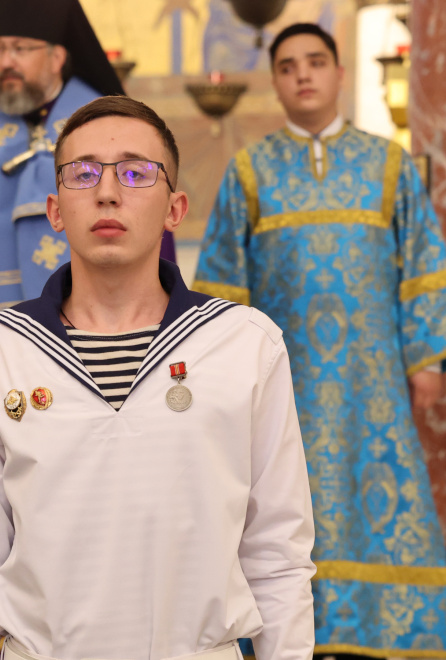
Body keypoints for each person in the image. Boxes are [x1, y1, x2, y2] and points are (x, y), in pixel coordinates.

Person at [0, 95, 316, 660]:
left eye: (136, 173)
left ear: (175, 209)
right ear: (55, 210)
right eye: (83, 174)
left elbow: (278, 554)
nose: (107, 192)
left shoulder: (244, 344)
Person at [193, 23, 446, 657]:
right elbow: (223, 280)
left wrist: (425, 358)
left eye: (314, 62)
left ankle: (379, 634)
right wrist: (224, 377)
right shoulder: (250, 170)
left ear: (339, 74)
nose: (302, 74)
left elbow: (424, 264)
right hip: (285, 383)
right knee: (280, 506)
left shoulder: (389, 164)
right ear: (276, 82)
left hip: (374, 385)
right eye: (287, 66)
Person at [0, 0, 176, 388]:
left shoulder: (110, 132)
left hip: (109, 332)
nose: (6, 61)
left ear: (57, 57)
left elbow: (147, 228)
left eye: (20, 48)